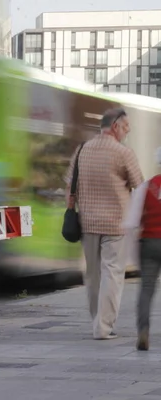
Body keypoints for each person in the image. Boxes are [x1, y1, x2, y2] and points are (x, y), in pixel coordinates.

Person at [63, 107, 143, 340]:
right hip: (116, 224)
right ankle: (103, 326)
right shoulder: (123, 152)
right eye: (126, 127)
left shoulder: (81, 150)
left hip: (87, 223)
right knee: (112, 274)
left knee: (93, 275)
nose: (127, 131)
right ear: (116, 126)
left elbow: (70, 187)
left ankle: (98, 320)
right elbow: (140, 185)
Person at [123, 147, 161, 351]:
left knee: (146, 290)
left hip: (149, 242)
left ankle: (143, 331)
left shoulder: (146, 187)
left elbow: (131, 222)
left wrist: (133, 254)